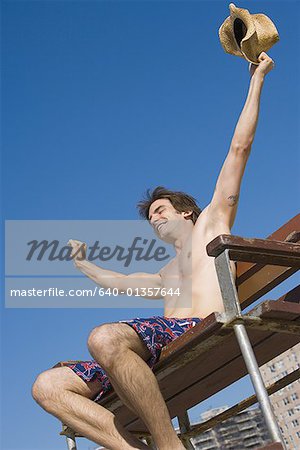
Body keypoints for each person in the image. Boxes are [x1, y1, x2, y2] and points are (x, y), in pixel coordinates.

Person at [32, 52, 274, 450]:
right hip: (157, 351)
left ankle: (168, 445)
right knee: (48, 385)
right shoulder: (166, 273)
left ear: (187, 212)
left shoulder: (213, 222)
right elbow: (117, 282)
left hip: (201, 330)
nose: (155, 219)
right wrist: (81, 262)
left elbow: (239, 149)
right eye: (150, 218)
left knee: (104, 337)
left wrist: (258, 78)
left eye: (160, 210)